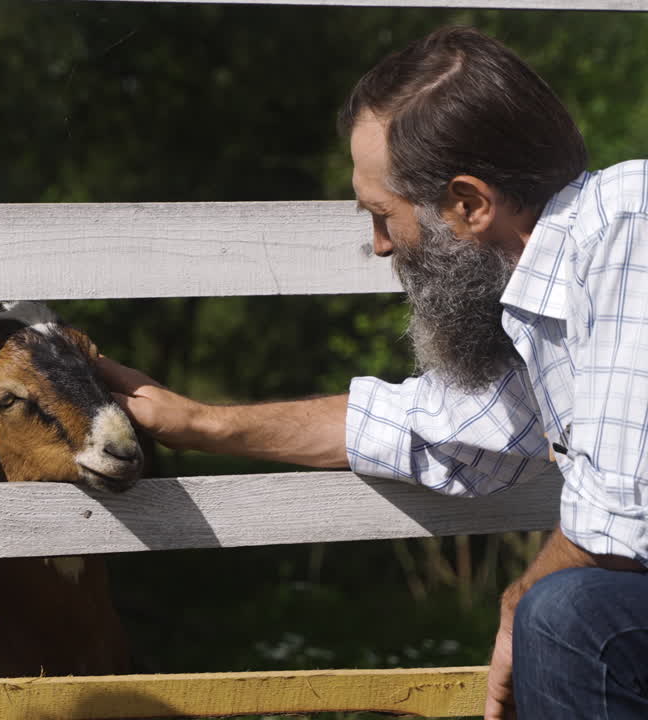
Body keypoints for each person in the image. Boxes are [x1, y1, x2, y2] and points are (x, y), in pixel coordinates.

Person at [99, 25, 648, 720]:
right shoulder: (547, 302)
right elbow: (438, 427)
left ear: (469, 204)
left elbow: (621, 528)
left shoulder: (628, 227)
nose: (380, 244)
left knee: (566, 613)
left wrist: (516, 609)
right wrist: (199, 422)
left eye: (384, 214)